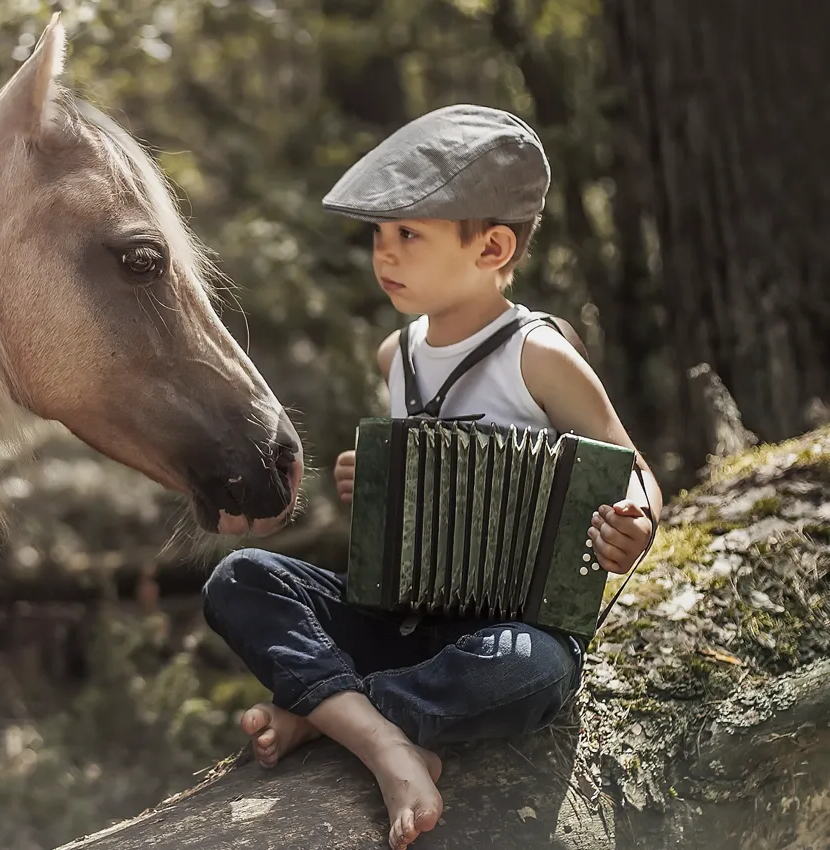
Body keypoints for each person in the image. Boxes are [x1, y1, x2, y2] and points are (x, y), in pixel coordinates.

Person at [200, 104, 663, 850]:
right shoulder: (396, 355)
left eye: (408, 235)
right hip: (403, 619)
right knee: (240, 578)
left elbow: (633, 469)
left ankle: (328, 713)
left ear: (493, 246)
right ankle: (388, 741)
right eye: (378, 236)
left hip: (505, 630)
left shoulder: (537, 353)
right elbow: (419, 505)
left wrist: (633, 522)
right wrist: (373, 485)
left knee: (538, 672)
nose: (384, 255)